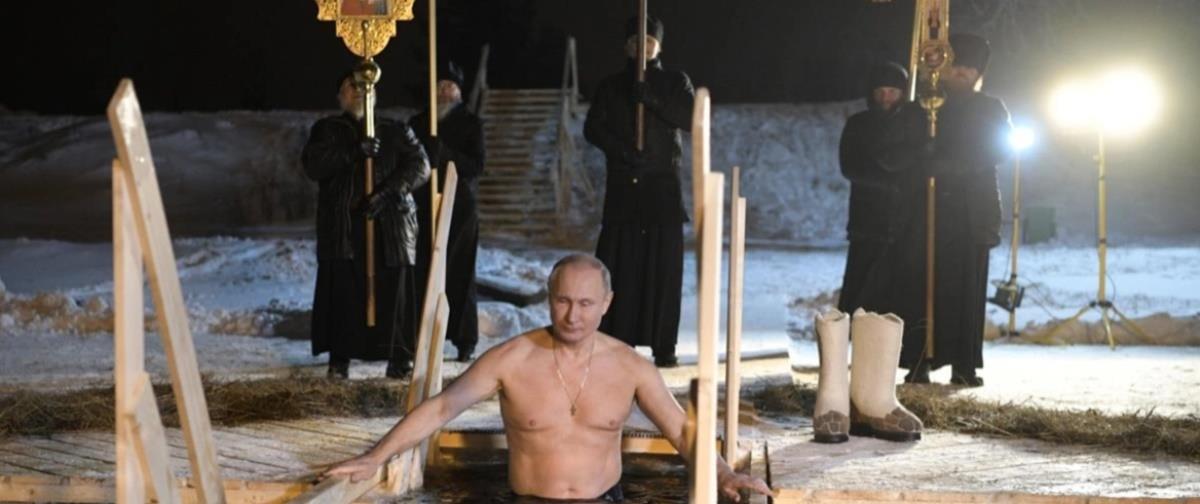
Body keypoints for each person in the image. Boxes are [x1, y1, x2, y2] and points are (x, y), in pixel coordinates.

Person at [323, 254, 772, 502]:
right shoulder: (511, 359)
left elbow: (680, 430)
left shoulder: (631, 367)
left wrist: (724, 474)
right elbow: (442, 406)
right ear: (549, 298)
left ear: (606, 303)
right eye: (563, 301)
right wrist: (375, 457)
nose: (573, 316)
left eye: (586, 304)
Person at [882, 34, 1011, 386]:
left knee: (966, 289)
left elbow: (1000, 149)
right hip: (925, 212)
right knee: (919, 286)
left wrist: (953, 165)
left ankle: (963, 365)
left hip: (970, 213)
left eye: (971, 68)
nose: (964, 73)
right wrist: (921, 154)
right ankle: (919, 359)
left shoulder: (990, 108)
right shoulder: (921, 107)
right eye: (959, 66)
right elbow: (891, 154)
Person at [303, 69, 431, 379]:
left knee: (393, 293)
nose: (358, 89)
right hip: (345, 228)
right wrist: (354, 151)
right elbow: (314, 165)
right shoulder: (328, 129)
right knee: (344, 294)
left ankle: (398, 356)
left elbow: (420, 165)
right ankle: (340, 357)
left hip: (390, 226)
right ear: (340, 96)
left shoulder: (396, 129)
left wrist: (387, 193)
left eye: (363, 84)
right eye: (350, 85)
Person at [584, 15, 695, 368]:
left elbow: (692, 119)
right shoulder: (611, 85)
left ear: (658, 46)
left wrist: (653, 101)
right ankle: (617, 339)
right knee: (622, 265)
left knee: (662, 269)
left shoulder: (676, 81)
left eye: (649, 41)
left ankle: (664, 344)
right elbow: (593, 128)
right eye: (636, 41)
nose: (642, 47)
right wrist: (622, 152)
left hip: (662, 189)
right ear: (627, 46)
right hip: (625, 188)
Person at [409, 60, 486, 362]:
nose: (444, 91)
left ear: (459, 91)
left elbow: (476, 165)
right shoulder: (419, 122)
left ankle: (464, 338)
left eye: (450, 86)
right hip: (422, 203)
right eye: (440, 86)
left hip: (459, 205)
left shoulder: (470, 123)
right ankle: (420, 336)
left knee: (459, 270)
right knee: (422, 270)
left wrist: (444, 154)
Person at [837, 61, 909, 314]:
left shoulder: (912, 126)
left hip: (904, 221)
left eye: (892, 92)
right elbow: (851, 167)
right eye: (881, 91)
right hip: (867, 220)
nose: (886, 98)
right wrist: (890, 180)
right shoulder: (858, 125)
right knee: (862, 283)